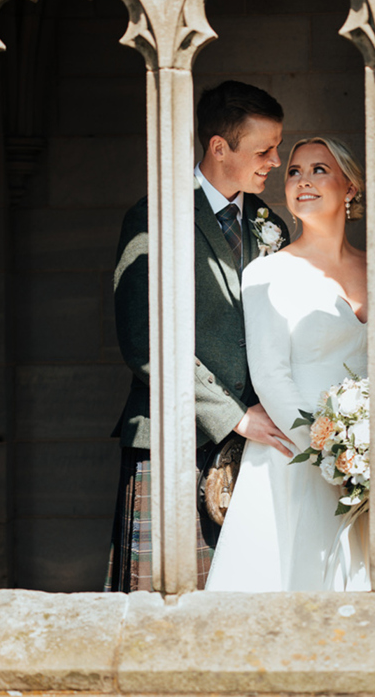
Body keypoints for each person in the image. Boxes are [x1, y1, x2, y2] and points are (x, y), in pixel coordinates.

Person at [206, 136, 375, 591]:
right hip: (300, 460)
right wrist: (335, 457)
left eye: (319, 170)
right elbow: (270, 375)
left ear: (351, 188)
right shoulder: (266, 274)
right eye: (294, 172)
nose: (302, 180)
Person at [104, 80, 291, 592]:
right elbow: (145, 340)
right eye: (264, 149)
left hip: (255, 447)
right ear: (218, 147)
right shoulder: (156, 216)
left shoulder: (269, 225)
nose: (276, 161)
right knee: (160, 613)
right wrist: (231, 416)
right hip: (174, 440)